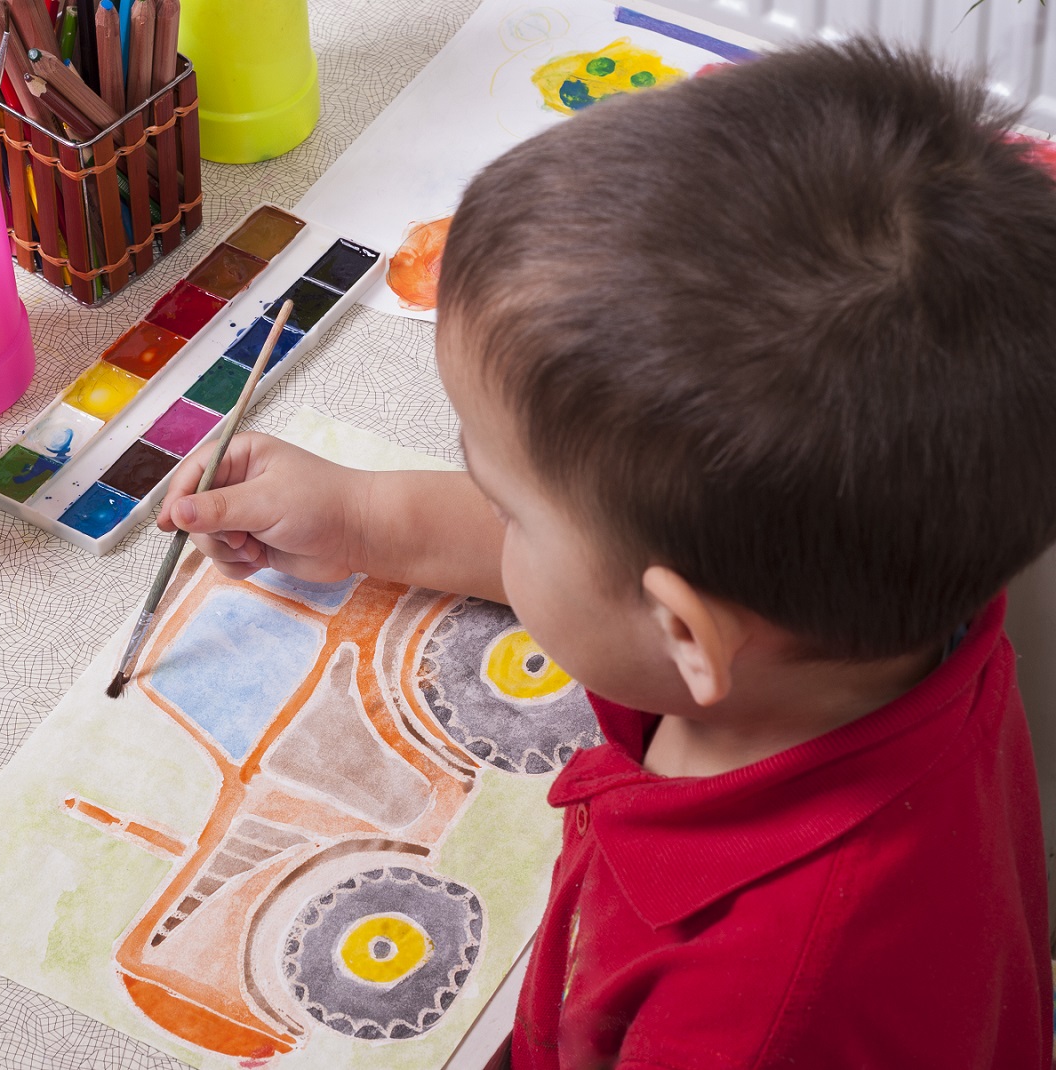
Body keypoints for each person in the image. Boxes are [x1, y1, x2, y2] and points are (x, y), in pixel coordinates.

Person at [156, 39, 1056, 1069]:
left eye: (506, 504)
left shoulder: (755, 1015)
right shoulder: (878, 607)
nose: (494, 514)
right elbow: (614, 566)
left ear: (683, 631)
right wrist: (365, 518)